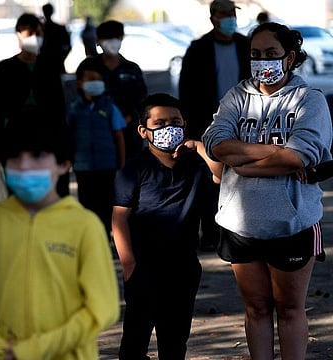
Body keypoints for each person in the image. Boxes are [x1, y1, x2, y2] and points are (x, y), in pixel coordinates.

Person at [202, 22, 333, 359]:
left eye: (271, 54)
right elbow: (216, 143)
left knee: (289, 310)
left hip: (292, 222)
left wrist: (243, 161)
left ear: (289, 58)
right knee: (256, 309)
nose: (262, 61)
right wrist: (274, 154)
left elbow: (299, 155)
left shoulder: (309, 100)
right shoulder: (235, 96)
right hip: (240, 224)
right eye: (255, 54)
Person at [0, 107, 120, 360]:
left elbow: (102, 308)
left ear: (64, 164)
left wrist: (31, 351)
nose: (24, 166)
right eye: (14, 157)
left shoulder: (84, 225)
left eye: (37, 155)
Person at [112, 93, 223, 359]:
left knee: (174, 341)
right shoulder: (134, 169)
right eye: (159, 123)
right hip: (143, 268)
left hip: (183, 267)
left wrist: (197, 146)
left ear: (185, 125)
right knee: (134, 341)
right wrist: (129, 265)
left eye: (175, 122)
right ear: (143, 131)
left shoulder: (196, 166)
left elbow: (220, 174)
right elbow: (119, 218)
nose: (168, 129)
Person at [178, 0, 250, 251]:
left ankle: (241, 231)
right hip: (208, 126)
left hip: (245, 124)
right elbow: (186, 90)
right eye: (225, 14)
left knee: (243, 176)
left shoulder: (245, 46)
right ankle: (210, 233)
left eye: (232, 14)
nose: (230, 18)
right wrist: (189, 126)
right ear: (213, 19)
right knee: (211, 181)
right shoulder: (198, 49)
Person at [0, 13, 69, 201]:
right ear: (18, 34)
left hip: (48, 130)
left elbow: (59, 106)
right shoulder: (5, 68)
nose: (35, 37)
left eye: (39, 33)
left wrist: (65, 141)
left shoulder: (50, 66)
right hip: (15, 131)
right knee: (17, 180)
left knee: (53, 182)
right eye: (30, 33)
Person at [67, 59, 126, 235]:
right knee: (87, 202)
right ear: (80, 83)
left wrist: (121, 164)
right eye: (90, 79)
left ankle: (109, 236)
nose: (95, 83)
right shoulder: (73, 109)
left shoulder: (109, 107)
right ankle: (93, 235)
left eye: (98, 79)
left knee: (108, 202)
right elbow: (70, 136)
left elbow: (119, 137)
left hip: (107, 165)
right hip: (83, 166)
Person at [77, 20, 148, 160]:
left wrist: (128, 118)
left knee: (129, 173)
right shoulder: (88, 68)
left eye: (116, 37)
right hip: (95, 132)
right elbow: (80, 97)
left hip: (128, 133)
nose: (112, 42)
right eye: (107, 38)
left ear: (122, 38)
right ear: (98, 40)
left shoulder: (132, 69)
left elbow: (142, 100)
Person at [40, 3, 72, 74]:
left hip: (51, 64)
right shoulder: (59, 28)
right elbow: (68, 46)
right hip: (55, 63)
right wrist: (61, 58)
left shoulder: (41, 29)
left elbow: (68, 46)